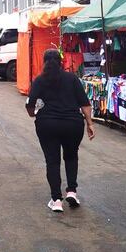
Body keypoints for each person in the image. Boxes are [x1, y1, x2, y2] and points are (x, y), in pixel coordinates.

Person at [27, 49, 95, 212]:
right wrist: (90, 124)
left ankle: (56, 200)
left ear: (44, 62)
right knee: (71, 157)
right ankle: (72, 191)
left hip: (47, 124)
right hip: (72, 124)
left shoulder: (39, 80)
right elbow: (84, 103)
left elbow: (30, 106)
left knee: (52, 161)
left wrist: (35, 114)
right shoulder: (72, 79)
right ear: (61, 62)